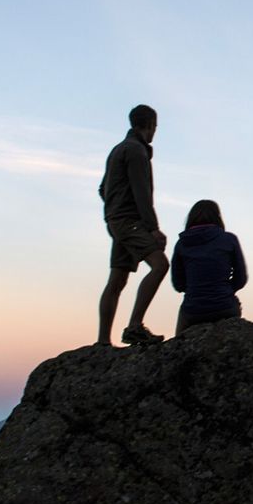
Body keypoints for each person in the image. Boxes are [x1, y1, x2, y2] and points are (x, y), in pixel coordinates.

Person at [96, 104, 169, 346]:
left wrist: (112, 210)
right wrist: (152, 228)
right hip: (130, 222)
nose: (155, 131)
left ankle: (103, 341)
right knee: (160, 265)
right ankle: (135, 326)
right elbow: (142, 193)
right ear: (149, 125)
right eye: (155, 127)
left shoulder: (117, 150)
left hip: (116, 222)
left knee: (117, 280)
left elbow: (102, 189)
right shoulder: (136, 151)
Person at [171, 199, 247, 335]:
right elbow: (241, 278)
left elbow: (178, 284)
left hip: (193, 310)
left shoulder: (181, 244)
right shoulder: (229, 239)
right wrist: (224, 290)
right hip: (225, 307)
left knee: (180, 337)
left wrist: (195, 289)